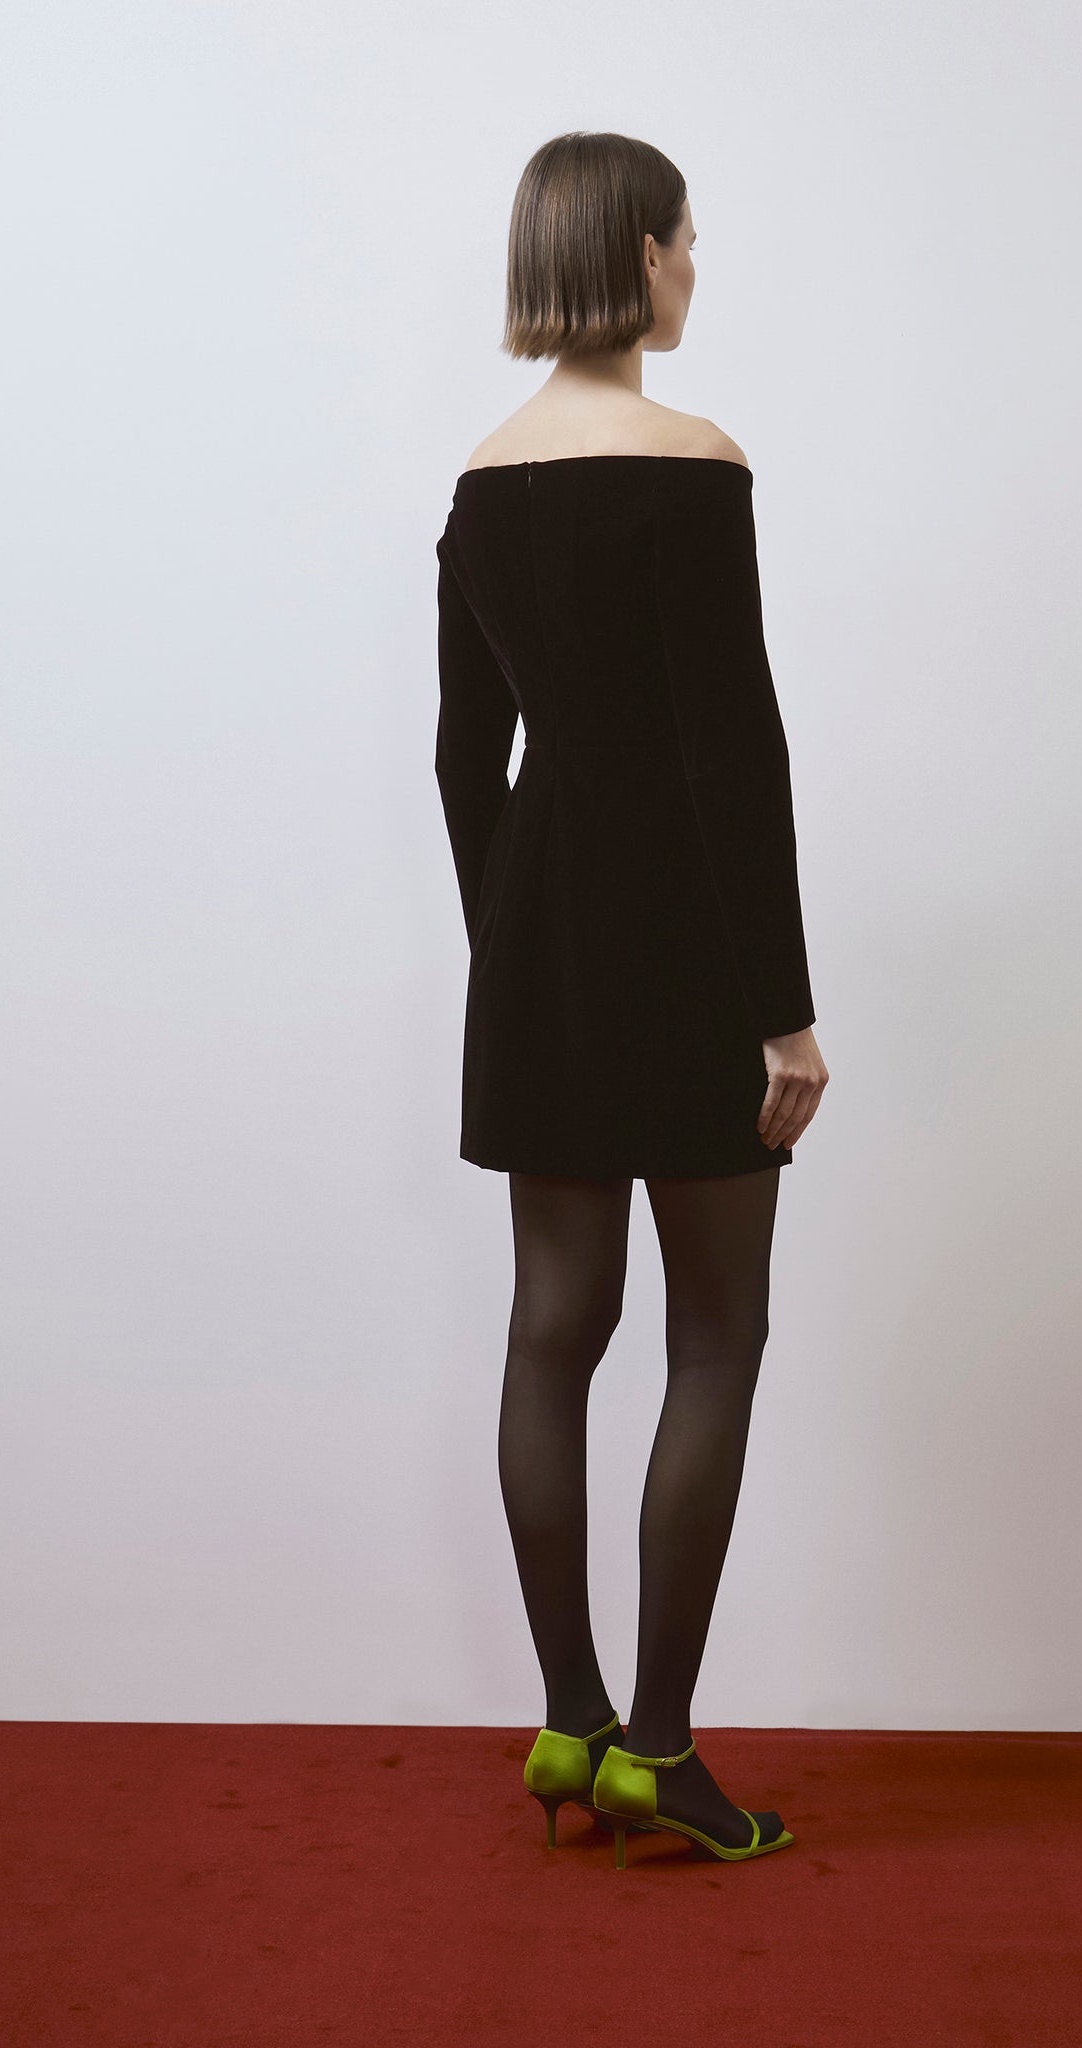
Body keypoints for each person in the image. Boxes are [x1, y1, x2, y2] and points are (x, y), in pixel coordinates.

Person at [434, 131, 828, 1867]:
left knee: (550, 1328)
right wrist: (783, 1009)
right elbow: (732, 755)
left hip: (538, 939)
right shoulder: (695, 465)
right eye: (686, 240)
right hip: (685, 938)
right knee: (716, 1336)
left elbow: (466, 759)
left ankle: (569, 1722)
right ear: (641, 256)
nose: (694, 266)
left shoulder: (480, 484)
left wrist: (510, 949)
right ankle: (660, 1751)